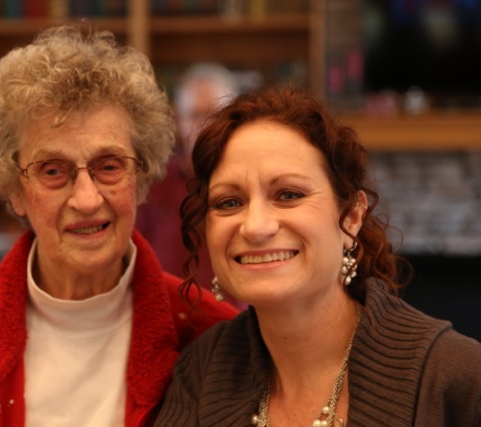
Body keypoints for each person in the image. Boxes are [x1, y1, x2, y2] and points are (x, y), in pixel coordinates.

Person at [0, 24, 238, 426]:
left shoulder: (211, 336)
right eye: (53, 170)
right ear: (15, 191)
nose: (87, 200)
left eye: (109, 166)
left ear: (140, 177)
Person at [155, 87, 481, 426]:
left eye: (288, 195)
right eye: (229, 202)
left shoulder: (454, 376)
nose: (255, 227)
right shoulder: (199, 373)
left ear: (352, 216)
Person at [136, 63, 241, 305]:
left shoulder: (249, 184)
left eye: (215, 116)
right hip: (169, 317)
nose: (204, 127)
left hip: (239, 319)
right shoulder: (153, 184)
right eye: (194, 115)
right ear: (178, 119)